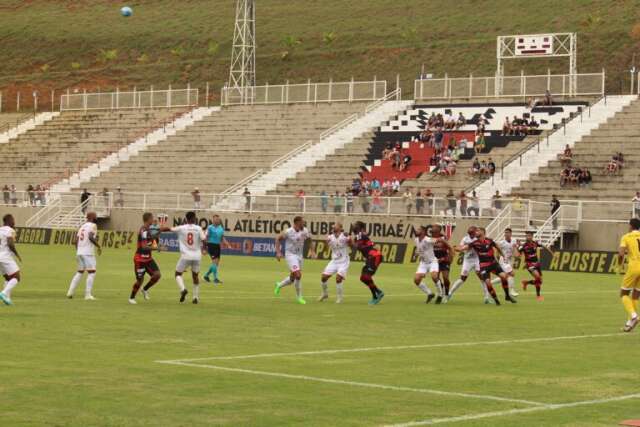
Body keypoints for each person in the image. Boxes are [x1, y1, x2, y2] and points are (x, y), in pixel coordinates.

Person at [463, 227, 516, 305]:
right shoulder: (474, 243)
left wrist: (503, 255)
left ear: (483, 232)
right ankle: (496, 300)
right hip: (484, 266)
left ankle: (507, 296)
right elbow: (464, 248)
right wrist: (457, 248)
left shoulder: (490, 241)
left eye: (478, 231)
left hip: (493, 263)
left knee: (504, 276)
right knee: (488, 282)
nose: (476, 232)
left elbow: (497, 247)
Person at [274, 216, 316, 304]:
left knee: (292, 278)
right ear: (297, 222)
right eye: (302, 222)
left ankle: (279, 285)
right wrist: (278, 252)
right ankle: (299, 297)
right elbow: (278, 239)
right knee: (298, 275)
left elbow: (310, 240)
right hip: (290, 255)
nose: (303, 223)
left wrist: (312, 251)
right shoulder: (289, 231)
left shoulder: (304, 230)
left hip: (299, 256)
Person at [448, 226, 490, 304]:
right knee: (462, 278)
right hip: (467, 260)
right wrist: (456, 248)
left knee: (482, 277)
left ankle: (487, 297)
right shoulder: (465, 239)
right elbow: (460, 247)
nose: (472, 234)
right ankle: (450, 293)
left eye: (473, 233)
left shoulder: (478, 239)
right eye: (470, 233)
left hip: (477, 260)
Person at [172, 211, 207, 304]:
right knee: (195, 276)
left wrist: (161, 229)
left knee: (177, 274)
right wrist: (204, 249)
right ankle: (195, 297)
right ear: (194, 218)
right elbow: (204, 239)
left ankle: (183, 289)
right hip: (197, 256)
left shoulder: (181, 228)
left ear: (186, 219)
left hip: (186, 256)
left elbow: (170, 229)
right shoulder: (199, 228)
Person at [66, 212, 102, 300]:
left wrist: (79, 251)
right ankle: (88, 295)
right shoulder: (93, 225)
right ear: (92, 217)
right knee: (92, 273)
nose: (96, 217)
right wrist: (98, 246)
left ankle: (70, 292)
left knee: (79, 272)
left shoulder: (82, 227)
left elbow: (75, 241)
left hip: (79, 252)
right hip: (88, 253)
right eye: (95, 216)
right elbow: (90, 237)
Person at [128, 212, 162, 305]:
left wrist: (159, 233)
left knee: (157, 275)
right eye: (152, 218)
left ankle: (145, 289)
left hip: (148, 259)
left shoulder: (148, 230)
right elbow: (144, 246)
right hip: (140, 259)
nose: (153, 219)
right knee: (140, 280)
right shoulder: (143, 230)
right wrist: (157, 248)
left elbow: (152, 240)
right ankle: (131, 297)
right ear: (149, 219)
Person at [352, 221, 385, 305]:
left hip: (374, 256)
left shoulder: (360, 234)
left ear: (360, 228)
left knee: (366, 277)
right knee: (363, 278)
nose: (354, 227)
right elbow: (357, 246)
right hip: (370, 257)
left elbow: (358, 246)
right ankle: (378, 292)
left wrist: (349, 241)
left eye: (356, 225)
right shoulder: (358, 236)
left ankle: (375, 296)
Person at [318, 223, 352, 304]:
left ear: (340, 228)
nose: (333, 227)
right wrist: (326, 243)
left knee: (338, 278)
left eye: (335, 226)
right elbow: (326, 248)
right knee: (323, 277)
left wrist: (350, 239)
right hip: (334, 261)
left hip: (344, 261)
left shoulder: (344, 236)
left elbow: (352, 245)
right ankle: (325, 294)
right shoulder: (330, 237)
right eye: (333, 226)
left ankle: (340, 298)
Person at [618, 218, 640, 332]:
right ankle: (630, 324)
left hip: (634, 267)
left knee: (623, 293)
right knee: (636, 295)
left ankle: (634, 316)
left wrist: (619, 265)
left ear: (631, 226)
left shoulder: (626, 237)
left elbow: (621, 253)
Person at [519, 231, 554, 302]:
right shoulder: (523, 246)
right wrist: (517, 248)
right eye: (527, 236)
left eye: (529, 236)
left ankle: (526, 282)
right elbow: (517, 255)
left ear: (532, 237)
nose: (527, 237)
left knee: (540, 281)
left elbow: (544, 246)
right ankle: (538, 296)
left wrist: (552, 253)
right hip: (529, 265)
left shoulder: (535, 243)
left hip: (537, 264)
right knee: (537, 277)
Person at [413, 225, 444, 304]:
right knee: (416, 280)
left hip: (432, 262)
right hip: (423, 263)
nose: (416, 231)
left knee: (434, 276)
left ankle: (440, 294)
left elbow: (438, 240)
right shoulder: (416, 240)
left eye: (418, 229)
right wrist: (417, 253)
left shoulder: (427, 239)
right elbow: (420, 249)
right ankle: (430, 293)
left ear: (423, 232)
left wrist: (443, 239)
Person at [491, 228, 519, 298]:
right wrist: (497, 258)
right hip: (503, 261)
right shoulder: (502, 243)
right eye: (505, 233)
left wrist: (516, 250)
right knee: (511, 274)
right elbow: (497, 250)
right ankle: (512, 290)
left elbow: (515, 252)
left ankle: (489, 283)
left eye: (507, 232)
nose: (506, 234)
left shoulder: (514, 241)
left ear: (511, 234)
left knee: (505, 276)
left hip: (509, 261)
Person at [0, 214, 22, 306]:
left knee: (8, 278)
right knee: (17, 277)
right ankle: (4, 293)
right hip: (6, 257)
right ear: (9, 221)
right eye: (13, 220)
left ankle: (7, 299)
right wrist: (17, 254)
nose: (14, 222)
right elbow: (10, 244)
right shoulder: (10, 230)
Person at [204, 215, 228, 284]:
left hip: (217, 246)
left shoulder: (221, 228)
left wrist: (227, 244)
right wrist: (205, 248)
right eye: (215, 219)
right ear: (213, 220)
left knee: (216, 264)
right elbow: (206, 237)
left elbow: (222, 238)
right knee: (214, 262)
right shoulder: (210, 227)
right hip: (211, 245)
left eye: (218, 219)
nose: (217, 220)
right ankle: (215, 278)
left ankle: (206, 275)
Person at [433, 226, 454, 299]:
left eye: (434, 231)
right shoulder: (430, 239)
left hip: (444, 261)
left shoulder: (443, 239)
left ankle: (447, 294)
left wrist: (449, 258)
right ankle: (441, 291)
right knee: (436, 277)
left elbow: (450, 248)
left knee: (445, 278)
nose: (432, 231)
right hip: (435, 261)